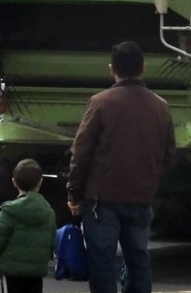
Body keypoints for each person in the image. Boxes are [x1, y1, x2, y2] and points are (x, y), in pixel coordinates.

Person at [66, 41, 176, 293]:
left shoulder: (100, 103)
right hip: (141, 198)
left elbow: (81, 152)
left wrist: (74, 192)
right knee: (138, 259)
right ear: (143, 68)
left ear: (111, 69)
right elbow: (169, 155)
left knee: (102, 261)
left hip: (101, 199)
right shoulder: (161, 106)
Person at [0, 159, 57, 293]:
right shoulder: (48, 212)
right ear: (40, 182)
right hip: (36, 270)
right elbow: (52, 240)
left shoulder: (9, 212)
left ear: (14, 182)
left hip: (11, 269)